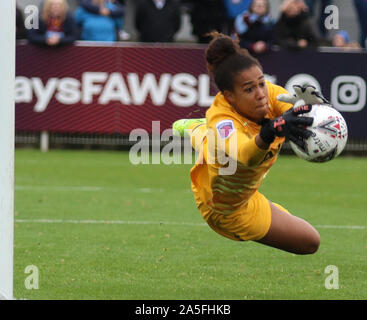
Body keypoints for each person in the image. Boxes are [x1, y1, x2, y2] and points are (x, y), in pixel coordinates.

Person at [172, 32, 329, 254]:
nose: (261, 94)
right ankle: (198, 128)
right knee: (309, 242)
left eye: (261, 84)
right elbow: (244, 153)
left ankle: (197, 128)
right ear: (230, 97)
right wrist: (269, 133)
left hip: (243, 187)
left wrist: (314, 111)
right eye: (249, 89)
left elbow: (292, 112)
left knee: (208, 140)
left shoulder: (269, 94)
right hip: (226, 209)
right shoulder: (222, 121)